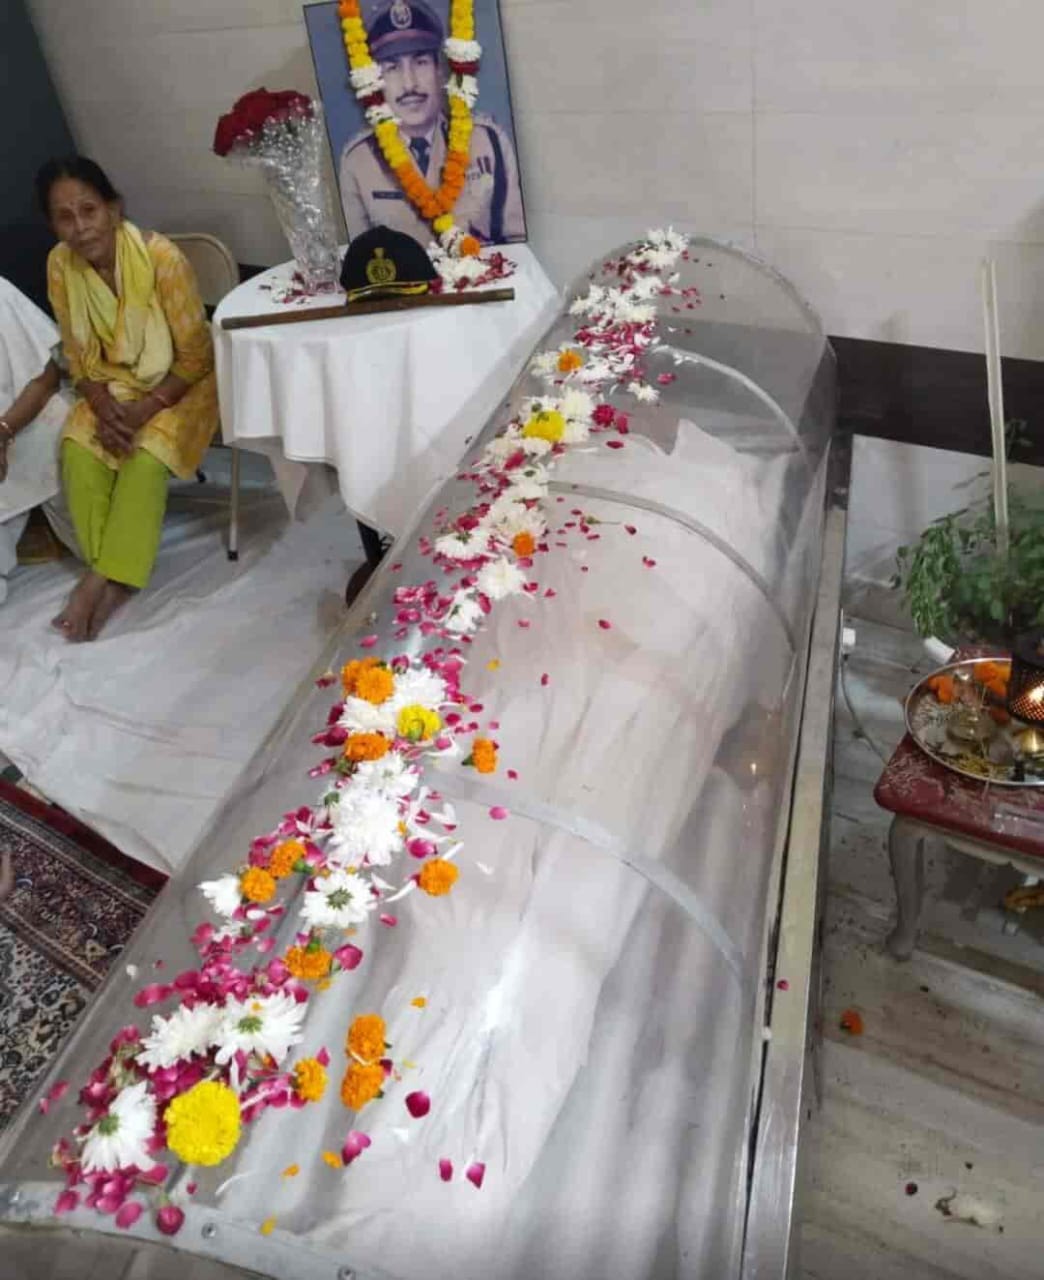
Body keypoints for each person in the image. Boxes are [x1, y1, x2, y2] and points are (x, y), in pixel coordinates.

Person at [36, 156, 219, 641]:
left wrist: (145, 410)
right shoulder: (60, 265)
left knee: (146, 456)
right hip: (110, 387)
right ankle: (117, 578)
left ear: (114, 209)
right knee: (77, 449)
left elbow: (197, 357)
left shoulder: (162, 258)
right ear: (53, 225)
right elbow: (77, 356)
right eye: (65, 217)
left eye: (89, 210)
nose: (80, 227)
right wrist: (101, 405)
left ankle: (95, 584)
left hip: (182, 385)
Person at [339, 0, 525, 246]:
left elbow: (516, 242)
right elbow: (360, 258)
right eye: (392, 67)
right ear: (374, 80)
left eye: (421, 62)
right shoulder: (358, 162)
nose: (409, 84)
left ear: (440, 71)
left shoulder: (488, 142)